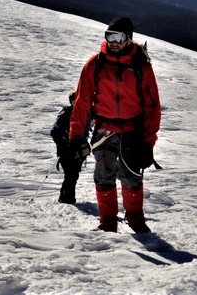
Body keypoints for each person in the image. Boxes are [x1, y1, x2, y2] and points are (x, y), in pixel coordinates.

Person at [67, 16, 161, 233]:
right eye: (109, 36)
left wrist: (149, 142)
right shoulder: (95, 64)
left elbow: (152, 107)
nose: (113, 41)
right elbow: (81, 102)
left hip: (132, 132)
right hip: (104, 130)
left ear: (129, 39)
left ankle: (136, 220)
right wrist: (75, 137)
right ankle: (107, 223)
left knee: (132, 177)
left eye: (119, 37)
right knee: (103, 176)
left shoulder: (141, 67)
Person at [50, 91, 89, 204]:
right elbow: (54, 132)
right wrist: (64, 146)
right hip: (67, 151)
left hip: (78, 150)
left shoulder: (84, 113)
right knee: (70, 175)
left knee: (73, 175)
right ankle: (67, 199)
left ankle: (66, 198)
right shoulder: (66, 114)